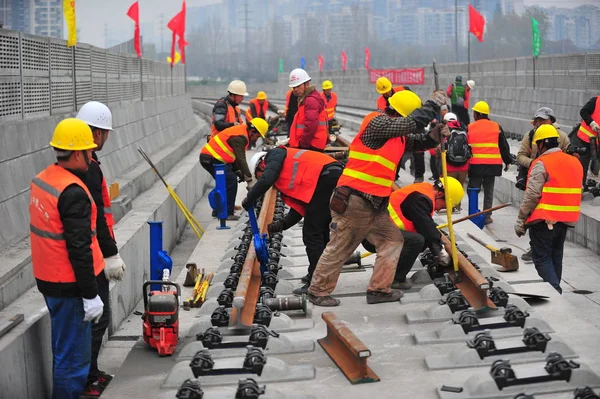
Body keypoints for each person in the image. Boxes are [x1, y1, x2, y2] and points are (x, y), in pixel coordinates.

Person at [307, 89, 450, 307]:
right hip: (355, 199)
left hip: (374, 204)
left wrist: (434, 136)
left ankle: (379, 289)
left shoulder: (397, 135)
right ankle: (317, 291)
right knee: (341, 247)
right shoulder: (377, 124)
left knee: (393, 240)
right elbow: (411, 124)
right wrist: (432, 105)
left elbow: (419, 142)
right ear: (402, 114)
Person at [30, 118, 105, 399]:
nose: (91, 156)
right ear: (76, 153)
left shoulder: (45, 178)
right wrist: (89, 294)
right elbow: (79, 248)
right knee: (74, 361)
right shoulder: (73, 192)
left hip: (50, 280)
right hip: (70, 286)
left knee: (63, 351)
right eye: (88, 151)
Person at [76, 101, 127, 396]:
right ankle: (87, 379)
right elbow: (97, 214)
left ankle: (90, 373)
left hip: (90, 250)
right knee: (99, 318)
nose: (105, 138)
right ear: (96, 133)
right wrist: (111, 254)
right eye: (104, 132)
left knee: (95, 319)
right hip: (93, 253)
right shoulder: (89, 168)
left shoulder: (82, 160)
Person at [242, 148, 343, 293]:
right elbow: (301, 207)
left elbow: (266, 179)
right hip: (328, 177)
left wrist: (249, 199)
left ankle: (317, 282)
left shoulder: (275, 155)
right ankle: (319, 275)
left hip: (327, 177)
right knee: (319, 231)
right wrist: (281, 225)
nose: (261, 179)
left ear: (261, 165)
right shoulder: (286, 173)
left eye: (258, 176)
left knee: (312, 233)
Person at [514, 125, 583, 294]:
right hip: (565, 220)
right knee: (555, 256)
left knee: (542, 258)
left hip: (544, 220)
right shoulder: (574, 162)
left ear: (541, 144)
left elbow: (531, 195)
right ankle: (555, 291)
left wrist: (521, 220)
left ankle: (555, 290)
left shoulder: (541, 163)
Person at [362, 178, 464, 289]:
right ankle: (393, 279)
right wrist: (441, 254)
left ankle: (385, 270)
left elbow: (427, 224)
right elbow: (428, 231)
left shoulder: (423, 191)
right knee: (416, 241)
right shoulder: (421, 199)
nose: (439, 210)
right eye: (444, 206)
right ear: (439, 195)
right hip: (373, 237)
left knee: (421, 239)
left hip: (377, 232)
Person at [516, 107, 572, 263]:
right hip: (535, 179)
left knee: (550, 216)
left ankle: (543, 248)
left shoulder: (562, 137)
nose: (539, 123)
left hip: (555, 183)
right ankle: (535, 246)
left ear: (551, 121)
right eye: (537, 120)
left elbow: (568, 159)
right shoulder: (531, 135)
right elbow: (521, 156)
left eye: (543, 120)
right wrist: (535, 164)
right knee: (534, 213)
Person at [200, 118, 269, 220]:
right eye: (257, 136)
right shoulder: (240, 137)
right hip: (211, 158)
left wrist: (240, 173)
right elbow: (241, 159)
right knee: (230, 181)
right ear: (252, 131)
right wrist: (249, 180)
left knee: (226, 181)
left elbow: (235, 159)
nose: (256, 139)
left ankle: (220, 209)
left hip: (216, 159)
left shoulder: (242, 132)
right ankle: (227, 212)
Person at [467, 101, 512, 225]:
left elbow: (466, 146)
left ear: (477, 114)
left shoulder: (470, 127)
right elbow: (503, 145)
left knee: (473, 189)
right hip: (492, 165)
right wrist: (507, 161)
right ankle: (487, 216)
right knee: (489, 190)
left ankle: (472, 213)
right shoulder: (496, 126)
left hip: (476, 164)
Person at [287, 68, 328, 151]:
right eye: (293, 87)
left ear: (307, 84)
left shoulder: (310, 100)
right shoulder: (306, 98)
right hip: (311, 142)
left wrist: (303, 144)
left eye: (298, 86)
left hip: (312, 144)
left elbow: (310, 124)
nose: (295, 90)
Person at [442, 112, 470, 212]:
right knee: (459, 188)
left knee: (447, 189)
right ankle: (457, 207)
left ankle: (448, 208)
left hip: (449, 167)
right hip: (463, 167)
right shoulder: (464, 130)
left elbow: (434, 151)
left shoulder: (444, 130)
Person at [573, 95, 600, 186]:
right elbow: (583, 111)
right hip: (586, 139)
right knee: (583, 164)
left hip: (598, 142)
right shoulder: (596, 101)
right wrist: (592, 123)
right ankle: (580, 185)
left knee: (596, 165)